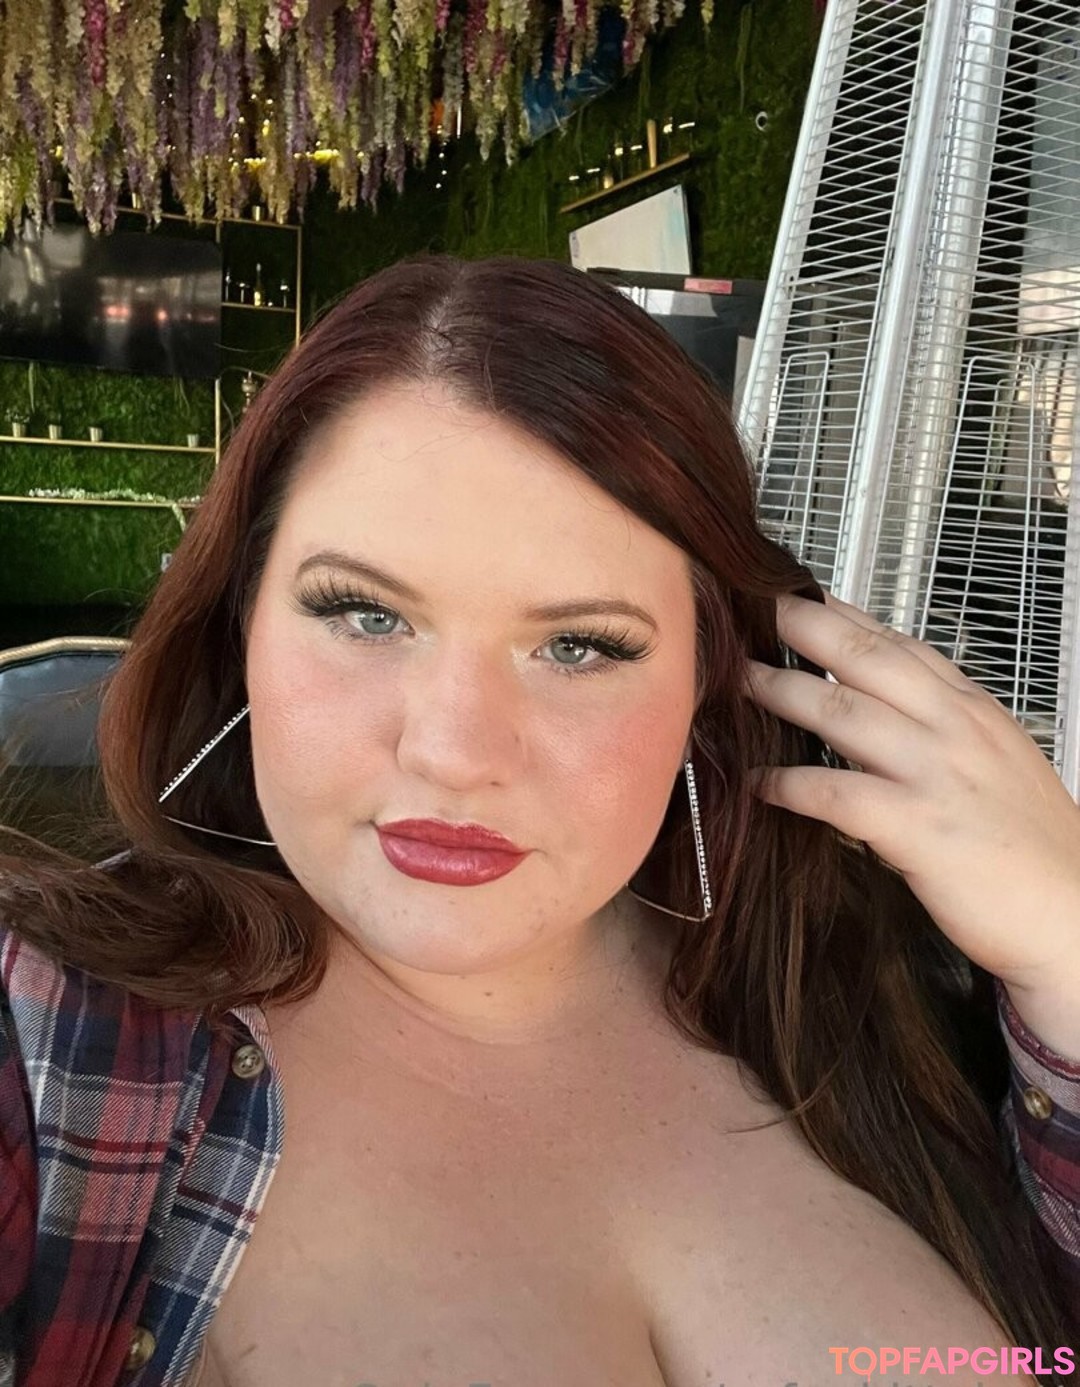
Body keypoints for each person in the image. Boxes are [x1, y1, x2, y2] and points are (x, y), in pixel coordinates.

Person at [0, 254, 1077, 1387]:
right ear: (241, 636)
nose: (456, 751)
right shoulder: (52, 1047)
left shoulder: (873, 982)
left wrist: (1063, 960)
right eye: (364, 613)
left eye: (579, 645)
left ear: (707, 680)